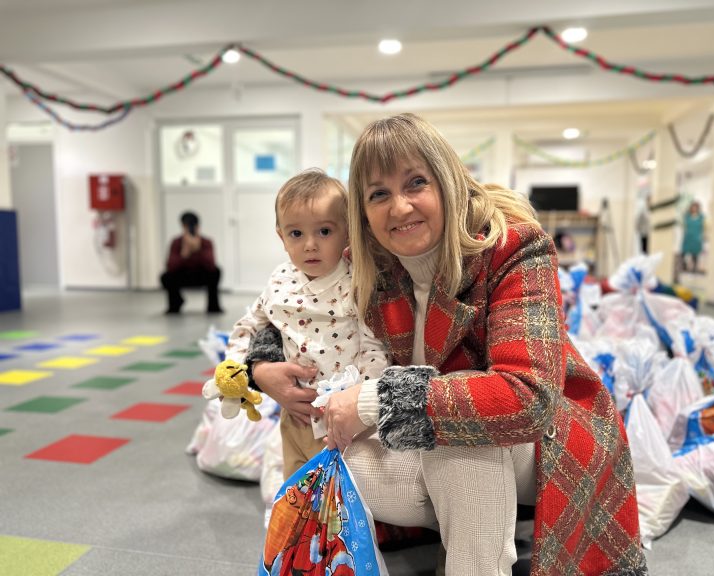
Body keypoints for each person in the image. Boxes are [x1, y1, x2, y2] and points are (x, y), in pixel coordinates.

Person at [246, 114, 647, 575]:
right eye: (378, 194)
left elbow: (528, 398)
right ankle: (465, 529)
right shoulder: (366, 262)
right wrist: (262, 367)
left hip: (539, 444)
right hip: (437, 440)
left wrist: (376, 400)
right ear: (362, 210)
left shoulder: (511, 246)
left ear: (447, 181)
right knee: (339, 456)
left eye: (416, 182)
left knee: (462, 442)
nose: (399, 208)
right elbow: (288, 304)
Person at [225, 169, 389, 479]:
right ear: (282, 237)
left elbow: (374, 349)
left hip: (342, 425)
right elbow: (251, 323)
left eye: (325, 231)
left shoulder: (356, 283)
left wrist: (360, 408)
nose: (310, 245)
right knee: (295, 495)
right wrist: (234, 367)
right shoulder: (279, 281)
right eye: (296, 234)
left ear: (347, 233)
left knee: (338, 506)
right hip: (294, 417)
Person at [160, 211, 223, 314]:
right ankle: (175, 303)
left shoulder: (206, 242)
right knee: (166, 276)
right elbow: (170, 266)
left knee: (216, 272)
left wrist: (198, 250)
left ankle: (213, 306)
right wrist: (184, 254)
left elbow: (211, 265)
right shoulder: (176, 242)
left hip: (201, 275)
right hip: (183, 275)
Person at [681, 200, 704, 273]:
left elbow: (703, 228)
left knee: (695, 255)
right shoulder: (687, 216)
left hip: (696, 238)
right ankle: (683, 267)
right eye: (693, 207)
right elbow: (683, 226)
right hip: (688, 237)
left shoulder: (701, 217)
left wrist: (702, 237)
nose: (694, 209)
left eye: (696, 207)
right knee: (683, 254)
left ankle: (694, 268)